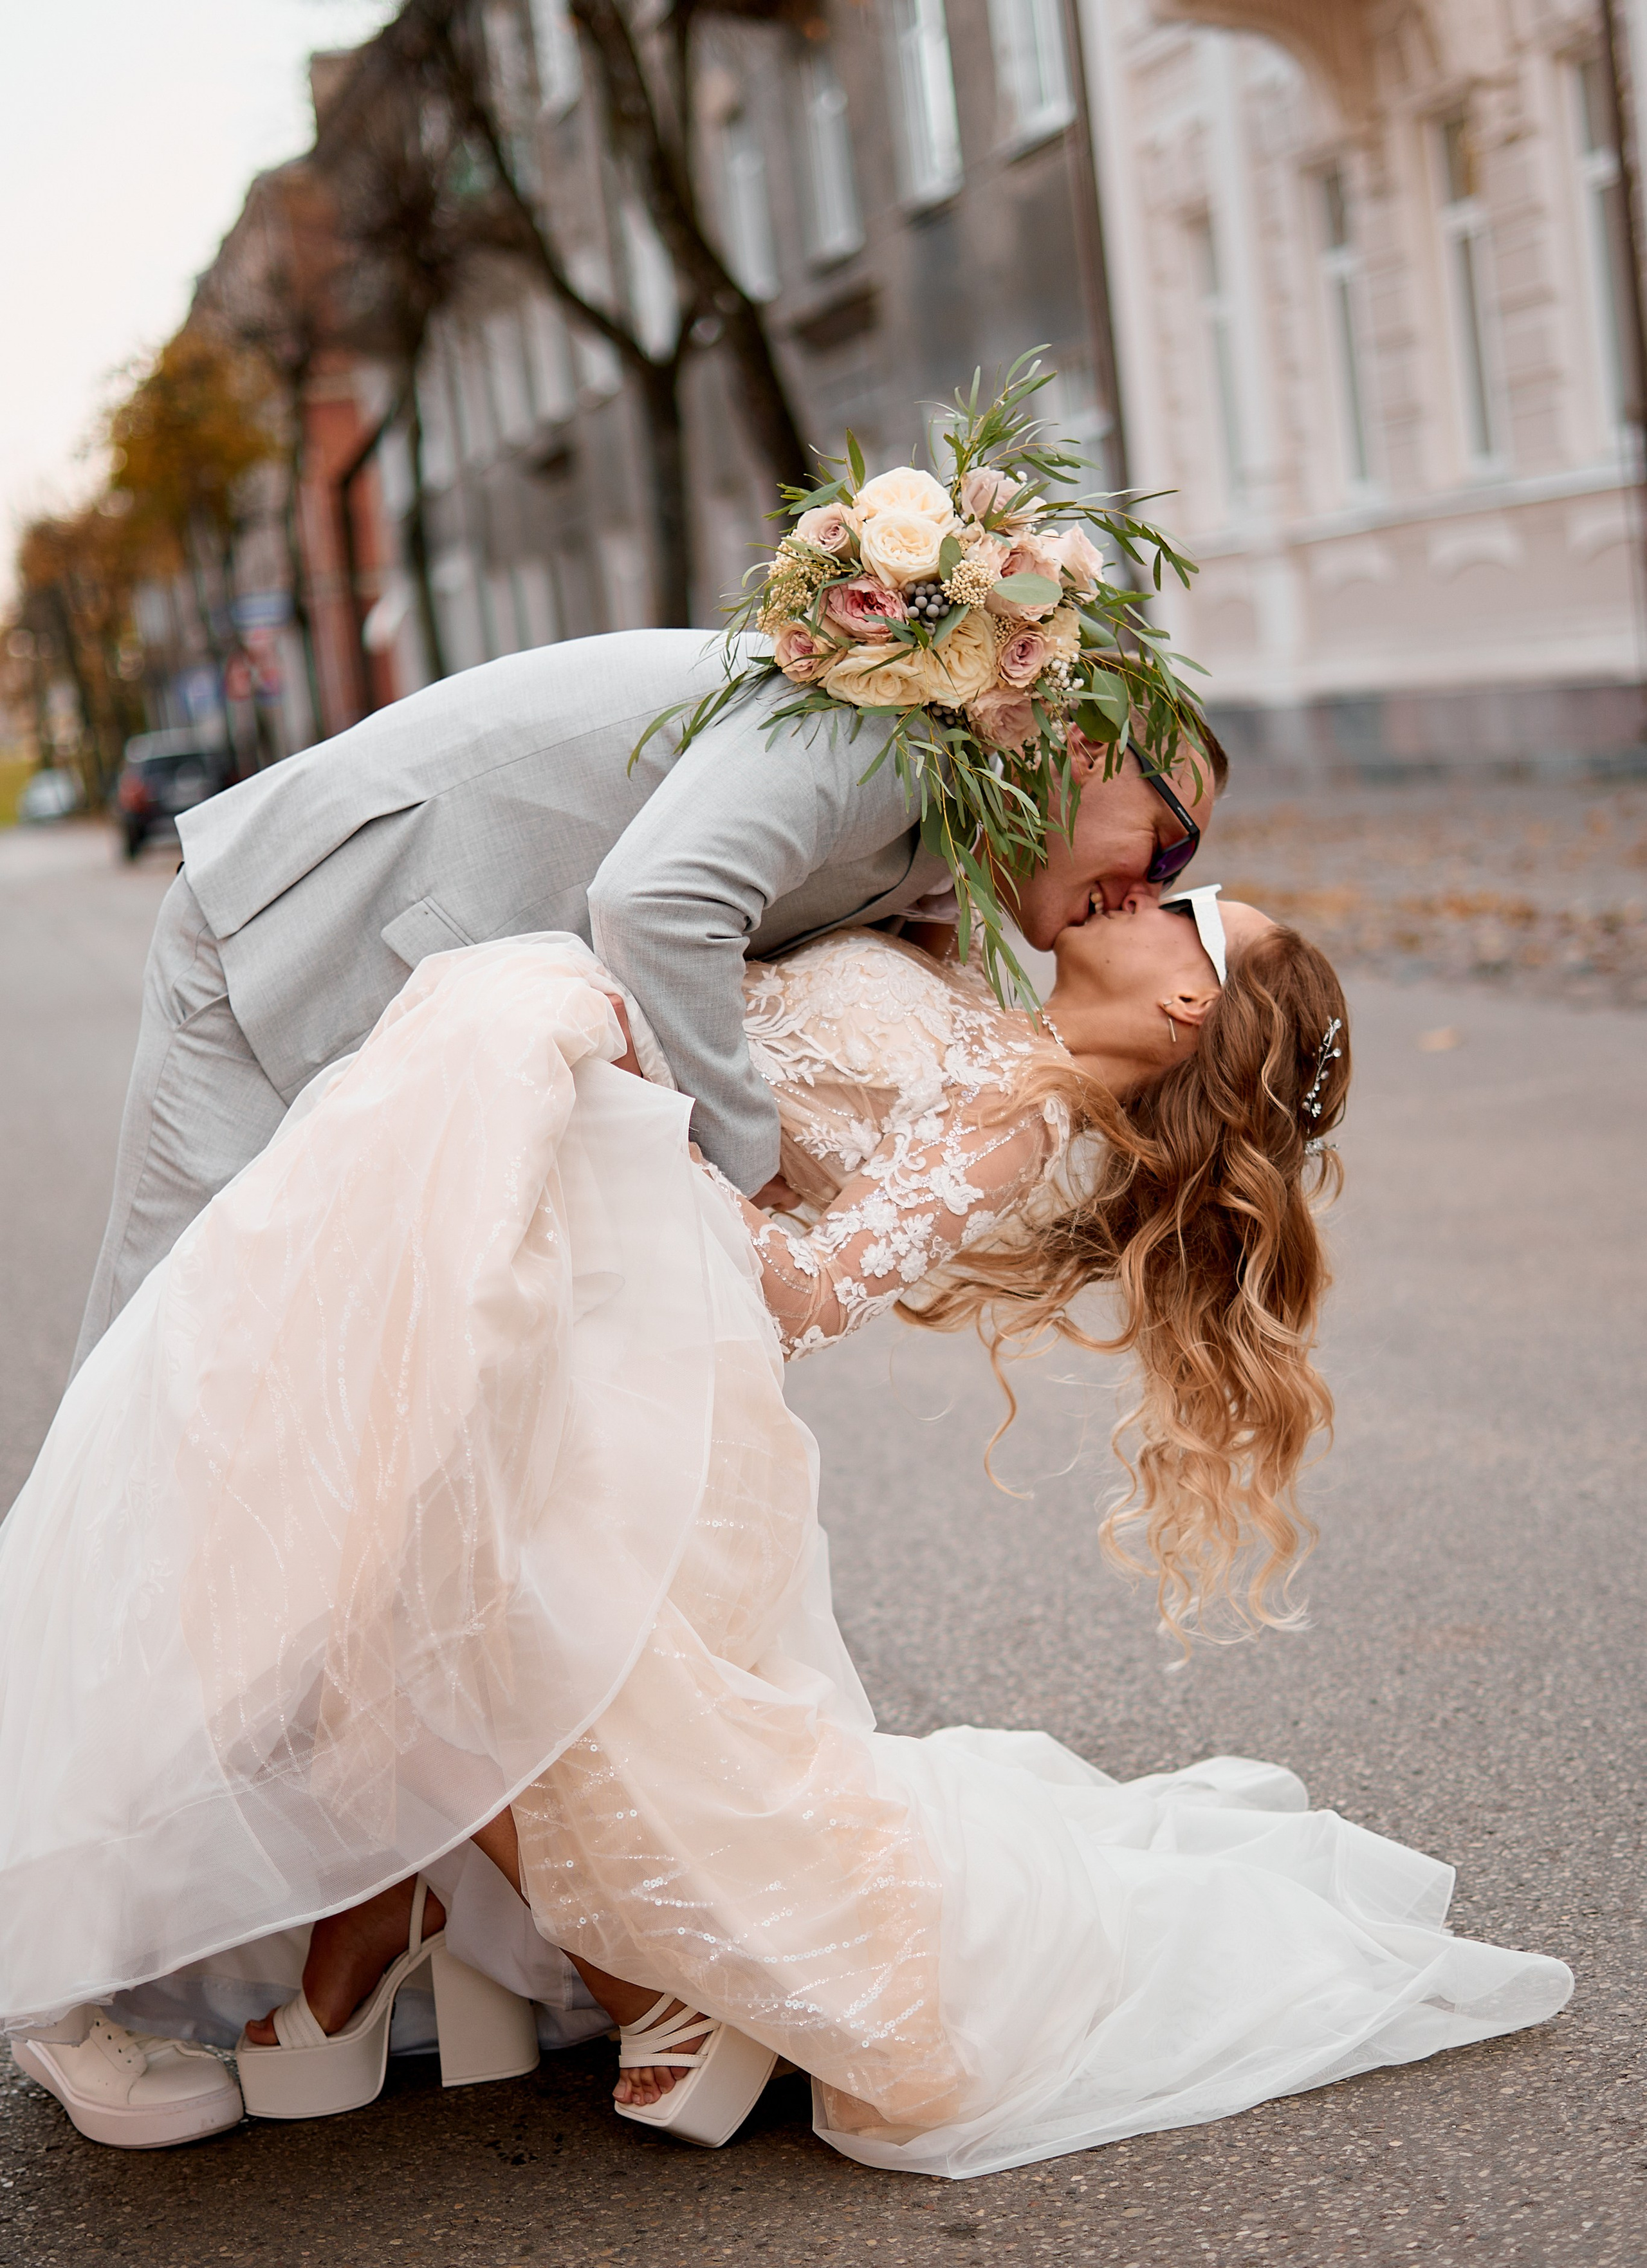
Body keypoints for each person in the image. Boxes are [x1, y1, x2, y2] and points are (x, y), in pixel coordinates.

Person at [2, 845, 1572, 2165]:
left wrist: (637, 1109)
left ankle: (626, 1983)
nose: (1156, 889)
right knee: (389, 1567)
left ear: (1184, 997)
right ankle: (400, 1953)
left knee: (439, 1596)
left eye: (1192, 904)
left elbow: (806, 1291)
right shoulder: (989, 1024)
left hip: (646, 1351)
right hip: (594, 1314)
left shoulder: (1017, 1117)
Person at [70, 631, 1220, 1372]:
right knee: (166, 1355)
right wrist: (740, 1160)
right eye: (1167, 848)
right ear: (1082, 743)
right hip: (309, 937)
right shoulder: (879, 737)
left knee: (309, 1375)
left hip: (441, 1028)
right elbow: (657, 901)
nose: (1151, 890)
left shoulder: (939, 840)